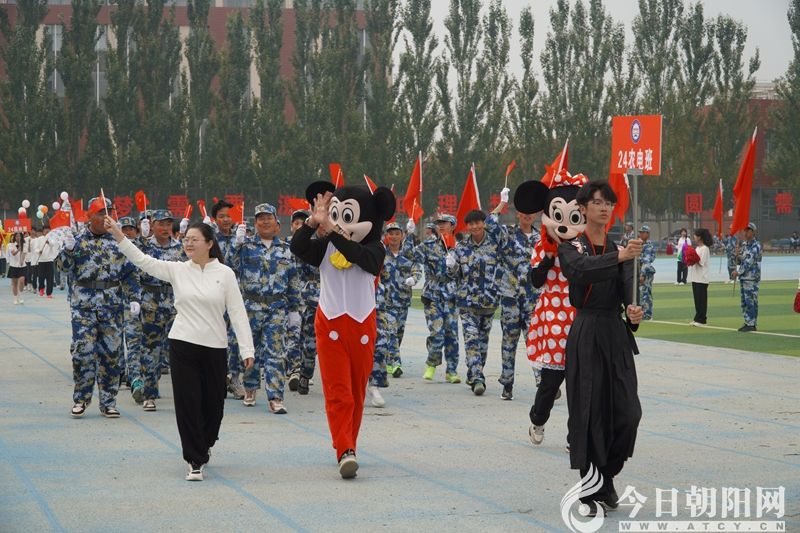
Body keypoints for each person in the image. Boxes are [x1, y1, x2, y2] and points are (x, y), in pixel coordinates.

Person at [105, 216, 255, 481]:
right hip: (183, 344)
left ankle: (205, 443)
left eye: (194, 240)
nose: (188, 244)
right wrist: (118, 234)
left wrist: (247, 350)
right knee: (188, 403)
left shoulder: (225, 274)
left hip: (214, 347)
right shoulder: (177, 270)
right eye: (186, 240)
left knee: (213, 407)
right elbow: (142, 260)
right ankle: (194, 459)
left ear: (209, 243)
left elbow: (237, 313)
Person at [291, 182, 395, 479]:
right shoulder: (326, 246)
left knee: (357, 393)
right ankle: (345, 450)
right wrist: (313, 222)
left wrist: (333, 230)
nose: (338, 223)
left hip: (362, 326)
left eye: (345, 216)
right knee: (339, 393)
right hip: (331, 325)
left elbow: (359, 257)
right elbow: (298, 247)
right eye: (335, 214)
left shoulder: (376, 249)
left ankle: (347, 442)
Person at [557, 180, 643, 515]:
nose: (605, 208)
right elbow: (579, 272)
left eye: (609, 203)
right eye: (598, 202)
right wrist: (619, 256)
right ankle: (591, 486)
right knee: (589, 411)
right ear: (583, 208)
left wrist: (634, 313)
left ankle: (607, 474)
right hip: (586, 331)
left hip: (615, 333)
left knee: (628, 413)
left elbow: (630, 295)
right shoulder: (571, 248)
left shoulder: (623, 250)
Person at [58, 197, 142, 419]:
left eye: (109, 212)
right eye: (100, 212)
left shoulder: (118, 242)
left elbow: (130, 272)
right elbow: (63, 269)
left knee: (111, 354)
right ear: (89, 216)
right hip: (83, 307)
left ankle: (108, 402)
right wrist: (68, 251)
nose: (106, 217)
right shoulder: (77, 240)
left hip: (111, 305)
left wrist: (134, 297)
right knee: (83, 352)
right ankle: (81, 398)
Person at [230, 203, 300, 414]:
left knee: (275, 353)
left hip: (276, 308)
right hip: (251, 307)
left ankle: (275, 397)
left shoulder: (286, 249)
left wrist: (294, 310)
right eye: (261, 218)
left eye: (269, 218)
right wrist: (236, 244)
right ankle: (250, 388)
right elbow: (230, 267)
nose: (265, 222)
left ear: (277, 223)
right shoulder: (245, 247)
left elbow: (293, 280)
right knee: (250, 350)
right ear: (255, 223)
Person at [447, 189, 510, 396]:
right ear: (467, 226)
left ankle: (474, 372)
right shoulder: (461, 248)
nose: (474, 227)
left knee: (482, 344)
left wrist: (501, 204)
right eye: (471, 224)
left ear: (483, 223)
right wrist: (451, 266)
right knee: (471, 340)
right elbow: (454, 275)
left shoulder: (495, 244)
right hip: (467, 304)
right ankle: (477, 378)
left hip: (489, 302)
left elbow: (495, 225)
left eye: (478, 223)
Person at [369, 220, 422, 407]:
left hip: (402, 301)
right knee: (390, 332)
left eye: (396, 233)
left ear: (402, 235)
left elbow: (417, 268)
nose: (393, 236)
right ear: (386, 236)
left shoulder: (408, 254)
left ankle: (391, 358)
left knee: (398, 334)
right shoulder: (381, 253)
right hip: (385, 302)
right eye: (390, 233)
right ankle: (396, 363)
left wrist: (414, 278)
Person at [497, 209, 539, 400]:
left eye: (530, 212)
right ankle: (507, 384)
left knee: (535, 340)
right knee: (509, 341)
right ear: (518, 214)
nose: (527, 215)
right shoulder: (507, 234)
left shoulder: (541, 238)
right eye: (523, 212)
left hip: (533, 298)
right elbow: (489, 226)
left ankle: (542, 381)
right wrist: (501, 205)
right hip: (511, 298)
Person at [415, 214, 461, 383]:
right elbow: (409, 255)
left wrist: (455, 266)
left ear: (452, 226)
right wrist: (409, 235)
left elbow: (466, 272)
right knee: (437, 332)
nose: (441, 226)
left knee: (452, 334)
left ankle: (452, 371)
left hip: (451, 295)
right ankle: (431, 364)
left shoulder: (459, 248)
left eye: (444, 223)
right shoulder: (428, 246)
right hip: (433, 294)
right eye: (438, 223)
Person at [733, 222, 762, 332]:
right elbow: (742, 260)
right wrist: (737, 255)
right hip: (744, 278)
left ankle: (752, 323)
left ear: (754, 232)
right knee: (744, 302)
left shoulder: (756, 246)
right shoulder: (745, 245)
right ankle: (748, 321)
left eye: (748, 230)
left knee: (751, 301)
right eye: (745, 230)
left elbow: (749, 262)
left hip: (752, 278)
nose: (746, 232)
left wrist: (738, 272)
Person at [689, 228, 711, 326]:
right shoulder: (697, 248)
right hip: (695, 277)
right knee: (697, 300)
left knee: (702, 300)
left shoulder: (705, 249)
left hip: (702, 278)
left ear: (700, 237)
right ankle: (697, 318)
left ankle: (702, 320)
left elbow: (701, 262)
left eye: (695, 235)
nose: (694, 237)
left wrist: (692, 256)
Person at [638, 225, 656, 321]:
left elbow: (646, 261)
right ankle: (641, 312)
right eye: (640, 232)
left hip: (646, 272)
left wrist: (642, 274)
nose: (641, 234)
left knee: (645, 293)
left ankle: (648, 314)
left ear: (647, 234)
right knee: (640, 293)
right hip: (639, 270)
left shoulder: (649, 246)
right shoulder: (639, 244)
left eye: (643, 232)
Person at [7, 232, 27, 305]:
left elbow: (24, 254)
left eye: (19, 236)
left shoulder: (24, 245)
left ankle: (20, 296)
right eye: (17, 236)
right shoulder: (10, 245)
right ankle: (15, 298)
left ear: (22, 237)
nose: (18, 238)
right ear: (14, 237)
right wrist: (19, 249)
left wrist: (21, 261)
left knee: (22, 281)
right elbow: (13, 253)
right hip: (13, 266)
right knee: (14, 284)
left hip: (22, 266)